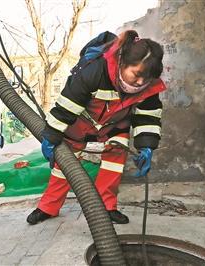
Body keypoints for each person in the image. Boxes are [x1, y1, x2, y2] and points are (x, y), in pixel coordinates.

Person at [27, 30, 166, 225]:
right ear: (122, 62)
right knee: (63, 167)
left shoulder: (148, 88)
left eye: (147, 78)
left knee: (114, 164)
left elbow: (148, 117)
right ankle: (48, 207)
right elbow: (67, 106)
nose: (141, 82)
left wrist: (147, 146)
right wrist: (51, 135)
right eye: (137, 74)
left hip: (114, 127)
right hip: (79, 126)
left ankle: (106, 207)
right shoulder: (95, 70)